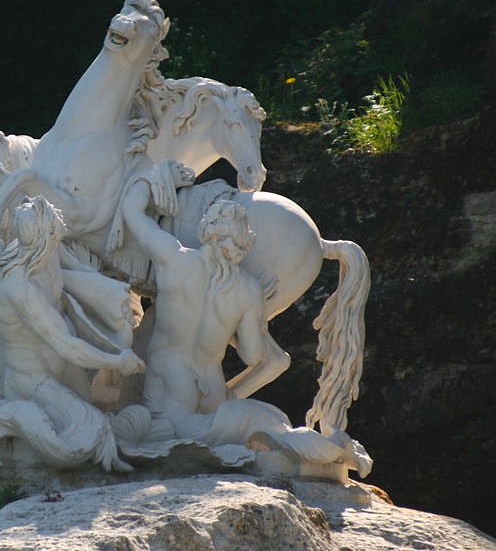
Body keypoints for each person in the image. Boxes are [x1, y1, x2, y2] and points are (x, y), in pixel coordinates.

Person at [119, 161, 371, 476]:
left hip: (172, 392)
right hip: (214, 394)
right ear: (245, 245)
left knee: (165, 428)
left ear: (205, 230)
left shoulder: (175, 260)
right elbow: (252, 355)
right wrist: (252, 311)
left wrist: (155, 177)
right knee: (269, 420)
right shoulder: (249, 291)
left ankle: (314, 451)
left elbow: (132, 213)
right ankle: (330, 450)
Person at [0, 196, 145, 472]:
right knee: (92, 433)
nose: (60, 233)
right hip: (34, 381)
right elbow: (64, 343)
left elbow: (79, 276)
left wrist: (112, 298)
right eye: (56, 230)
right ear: (45, 234)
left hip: (66, 368)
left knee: (99, 424)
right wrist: (117, 362)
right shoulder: (18, 288)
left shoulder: (48, 250)